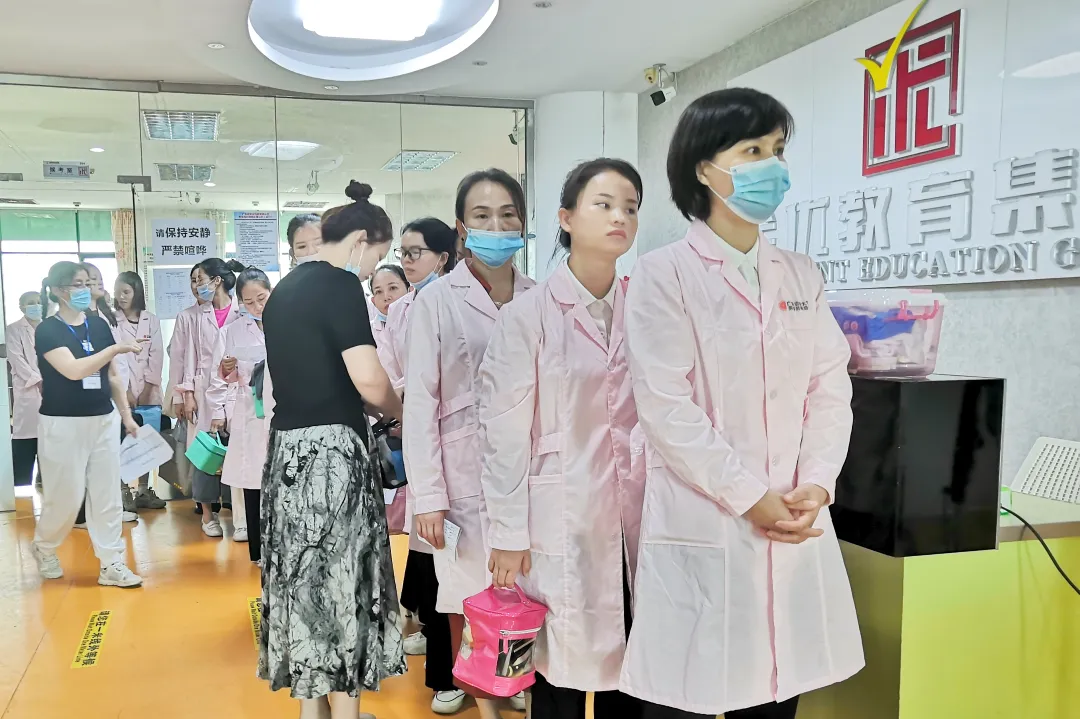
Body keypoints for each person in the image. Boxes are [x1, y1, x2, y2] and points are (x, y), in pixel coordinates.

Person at [619, 88, 864, 719]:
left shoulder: (801, 274)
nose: (772, 165)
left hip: (795, 515)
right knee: (687, 697)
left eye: (778, 149)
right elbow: (667, 407)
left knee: (776, 695)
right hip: (708, 519)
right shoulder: (664, 274)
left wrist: (818, 482)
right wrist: (751, 497)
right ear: (705, 169)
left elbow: (829, 385)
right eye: (752, 150)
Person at [479, 159, 646, 719]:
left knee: (633, 671)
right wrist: (507, 532)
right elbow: (502, 435)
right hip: (560, 516)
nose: (620, 217)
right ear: (566, 217)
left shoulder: (646, 309)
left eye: (630, 208)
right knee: (558, 678)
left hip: (636, 517)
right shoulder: (527, 315)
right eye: (604, 204)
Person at [260, 181, 405, 719]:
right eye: (377, 258)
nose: (371, 271)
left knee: (301, 581)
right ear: (361, 240)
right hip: (332, 457)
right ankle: (346, 713)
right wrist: (398, 410)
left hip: (287, 453)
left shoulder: (284, 290)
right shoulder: (341, 286)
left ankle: (312, 711)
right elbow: (368, 380)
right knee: (344, 581)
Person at [404, 169, 535, 719]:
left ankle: (518, 683)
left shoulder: (538, 296)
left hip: (529, 474)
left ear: (523, 223)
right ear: (461, 227)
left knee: (525, 594)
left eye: (508, 215)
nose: (496, 226)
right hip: (460, 479)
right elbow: (420, 403)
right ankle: (486, 706)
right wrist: (429, 497)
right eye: (482, 216)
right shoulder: (437, 300)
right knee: (466, 597)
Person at [382, 217, 463, 714]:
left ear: (443, 257)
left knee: (474, 570)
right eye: (404, 252)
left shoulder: (456, 300)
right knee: (436, 561)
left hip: (466, 446)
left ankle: (494, 672)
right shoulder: (402, 310)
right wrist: (401, 408)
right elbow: (395, 368)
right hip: (424, 439)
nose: (408, 261)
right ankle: (443, 668)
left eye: (416, 253)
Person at [30, 261, 144, 587]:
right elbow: (74, 370)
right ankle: (45, 546)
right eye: (77, 285)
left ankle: (111, 562)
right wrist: (116, 348)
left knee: (107, 496)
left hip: (103, 420)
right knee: (66, 497)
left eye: (88, 283)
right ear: (58, 290)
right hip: (63, 424)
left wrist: (126, 417)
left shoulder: (98, 325)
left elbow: (112, 376)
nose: (85, 290)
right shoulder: (47, 330)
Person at [206, 267, 272, 552]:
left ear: (271, 293)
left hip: (282, 408)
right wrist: (228, 368)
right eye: (249, 302)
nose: (256, 307)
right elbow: (225, 375)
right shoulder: (233, 330)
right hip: (251, 410)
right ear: (240, 302)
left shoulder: (288, 322)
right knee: (253, 479)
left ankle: (279, 545)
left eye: (261, 299)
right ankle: (257, 547)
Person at [180, 258, 245, 537]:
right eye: (194, 281)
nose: (196, 286)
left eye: (200, 279)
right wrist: (186, 394)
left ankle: (239, 514)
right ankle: (207, 515)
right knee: (205, 454)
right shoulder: (192, 316)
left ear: (217, 281)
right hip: (203, 392)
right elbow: (186, 358)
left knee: (237, 452)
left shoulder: (242, 311)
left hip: (238, 391)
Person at [78, 262, 138, 523]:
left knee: (108, 457)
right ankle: (85, 514)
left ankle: (107, 509)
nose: (98, 283)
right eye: (90, 280)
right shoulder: (78, 318)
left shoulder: (106, 315)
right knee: (88, 459)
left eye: (99, 278)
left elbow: (116, 362)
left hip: (110, 393)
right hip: (88, 395)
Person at [114, 271, 167, 509]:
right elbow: (116, 358)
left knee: (147, 441)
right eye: (118, 292)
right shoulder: (112, 321)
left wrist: (147, 388)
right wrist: (125, 390)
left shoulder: (151, 320)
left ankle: (144, 490)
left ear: (137, 293)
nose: (121, 296)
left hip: (149, 391)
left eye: (126, 292)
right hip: (121, 390)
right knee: (122, 440)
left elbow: (157, 355)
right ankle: (124, 489)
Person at [8, 291, 44, 487]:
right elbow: (17, 360)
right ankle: (22, 494)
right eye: (31, 303)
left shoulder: (48, 328)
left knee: (48, 452)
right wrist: (39, 381)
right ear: (21, 307)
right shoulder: (13, 330)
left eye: (38, 302)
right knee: (25, 446)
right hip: (27, 394)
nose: (36, 306)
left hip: (50, 396)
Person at [368, 264, 409, 343]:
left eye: (393, 288)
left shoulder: (422, 321)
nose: (386, 297)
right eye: (379, 291)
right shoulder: (368, 332)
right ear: (373, 301)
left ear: (410, 291)